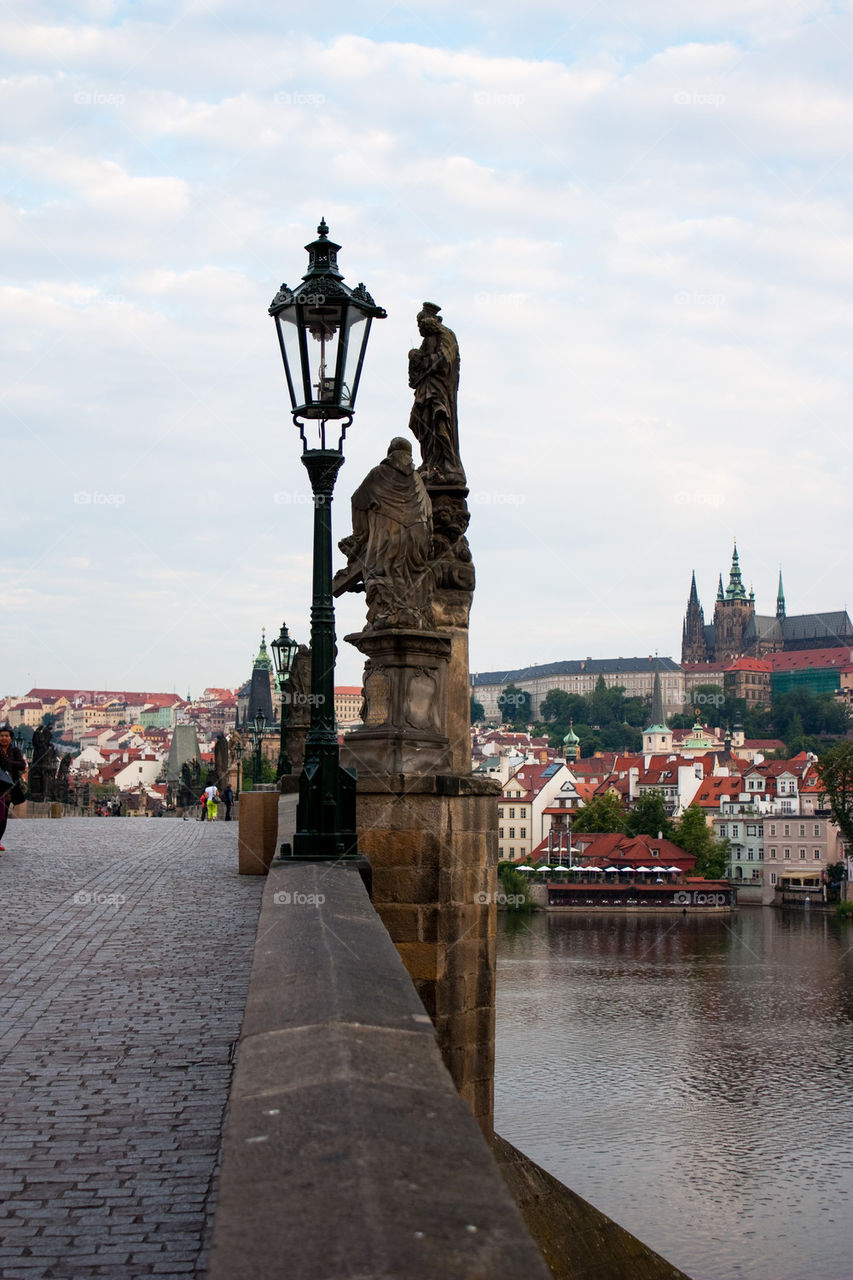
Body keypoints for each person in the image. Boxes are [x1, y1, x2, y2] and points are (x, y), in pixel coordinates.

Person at [0, 724, 27, 854]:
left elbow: (22, 765)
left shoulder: (15, 751)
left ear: (10, 738)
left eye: (6, 736)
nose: (3, 738)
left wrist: (8, 763)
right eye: (1, 736)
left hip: (8, 789)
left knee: (3, 817)